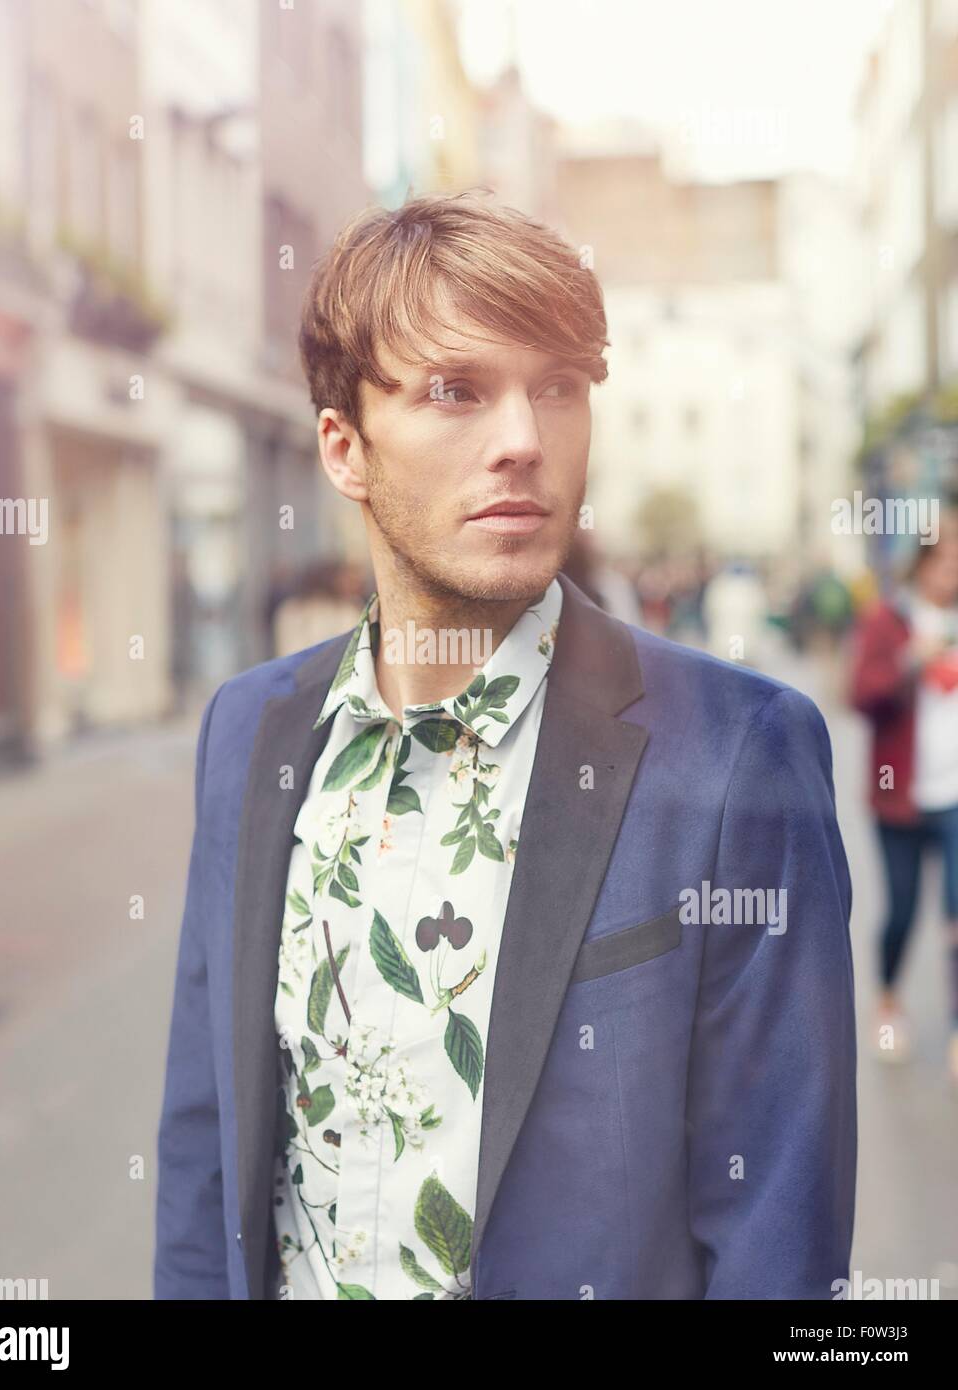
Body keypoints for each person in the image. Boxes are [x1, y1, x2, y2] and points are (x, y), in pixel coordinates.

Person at [154, 190, 856, 1301]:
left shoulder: (733, 758)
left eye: (560, 389)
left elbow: (779, 1235)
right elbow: (204, 1157)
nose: (524, 441)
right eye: (455, 392)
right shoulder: (251, 732)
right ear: (343, 448)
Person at [848, 506, 958, 1079]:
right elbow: (862, 694)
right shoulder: (890, 619)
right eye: (943, 558)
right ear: (922, 560)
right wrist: (908, 665)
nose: (952, 570)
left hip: (955, 796)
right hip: (901, 797)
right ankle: (888, 999)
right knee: (904, 911)